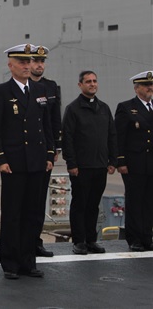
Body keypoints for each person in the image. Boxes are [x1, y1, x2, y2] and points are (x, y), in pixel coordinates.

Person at [0, 44, 54, 280]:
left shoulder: (40, 90)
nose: (27, 66)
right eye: (22, 62)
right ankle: (11, 263)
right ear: (11, 65)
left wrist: (49, 155)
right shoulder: (1, 92)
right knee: (13, 214)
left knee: (33, 214)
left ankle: (28, 262)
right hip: (14, 163)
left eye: (29, 61)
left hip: (36, 162)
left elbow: (46, 126)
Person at [62, 70, 117, 255]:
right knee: (80, 204)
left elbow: (112, 135)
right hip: (81, 167)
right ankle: (79, 241)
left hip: (100, 165)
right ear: (80, 85)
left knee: (94, 204)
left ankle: (91, 240)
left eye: (94, 81)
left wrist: (112, 160)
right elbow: (67, 138)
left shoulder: (104, 108)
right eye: (88, 81)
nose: (92, 84)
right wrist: (71, 163)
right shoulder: (73, 109)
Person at [114, 71, 153, 252]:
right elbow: (119, 137)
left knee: (149, 202)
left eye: (151, 85)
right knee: (135, 201)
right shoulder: (127, 107)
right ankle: (135, 238)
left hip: (151, 163)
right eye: (146, 85)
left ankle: (147, 236)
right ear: (137, 88)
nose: (150, 88)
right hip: (134, 163)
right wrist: (120, 161)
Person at [29, 46, 62, 258]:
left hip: (44, 151)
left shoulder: (50, 87)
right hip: (25, 151)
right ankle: (21, 240)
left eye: (42, 61)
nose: (39, 65)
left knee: (39, 199)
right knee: (25, 201)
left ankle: (35, 240)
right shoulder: (23, 87)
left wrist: (55, 148)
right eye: (35, 61)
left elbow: (54, 119)